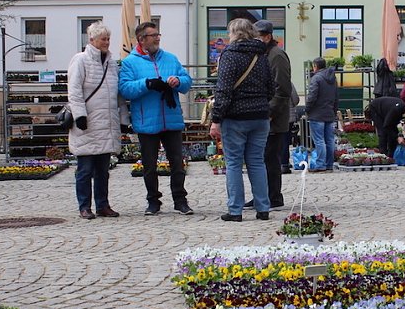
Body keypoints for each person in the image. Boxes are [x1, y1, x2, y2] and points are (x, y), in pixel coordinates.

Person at [119, 21, 193, 215]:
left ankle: (180, 200)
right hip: (146, 122)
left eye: (158, 34)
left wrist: (178, 82)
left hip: (171, 119)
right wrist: (147, 84)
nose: (158, 38)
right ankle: (153, 201)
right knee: (149, 166)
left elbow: (187, 82)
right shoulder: (129, 62)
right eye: (154, 35)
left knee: (177, 163)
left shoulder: (170, 58)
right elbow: (125, 89)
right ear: (142, 39)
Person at [208, 18, 273, 222]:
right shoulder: (261, 54)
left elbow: (224, 90)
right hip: (261, 116)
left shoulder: (230, 54)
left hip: (235, 117)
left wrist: (216, 119)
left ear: (234, 34)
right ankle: (263, 208)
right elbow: (272, 88)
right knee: (256, 162)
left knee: (234, 163)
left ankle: (235, 210)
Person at [68, 22, 129, 219]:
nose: (107, 42)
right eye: (103, 39)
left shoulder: (111, 63)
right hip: (87, 123)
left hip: (106, 123)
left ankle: (103, 204)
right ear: (92, 40)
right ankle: (84, 206)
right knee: (85, 169)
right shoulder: (80, 60)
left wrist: (123, 118)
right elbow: (74, 91)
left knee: (104, 169)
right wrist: (80, 115)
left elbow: (118, 94)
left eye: (108, 39)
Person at [247, 20, 291, 210]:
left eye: (257, 36)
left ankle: (273, 196)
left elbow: (282, 89)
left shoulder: (277, 56)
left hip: (273, 118)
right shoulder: (263, 54)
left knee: (270, 159)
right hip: (264, 115)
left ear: (267, 36)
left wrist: (270, 113)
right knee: (261, 158)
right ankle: (261, 195)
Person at [305, 57, 339, 172]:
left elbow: (312, 96)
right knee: (329, 140)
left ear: (315, 66)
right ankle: (329, 164)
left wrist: (307, 109)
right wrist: (334, 112)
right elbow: (336, 97)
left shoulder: (316, 78)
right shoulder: (333, 79)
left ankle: (320, 165)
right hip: (329, 113)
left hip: (317, 114)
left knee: (319, 140)